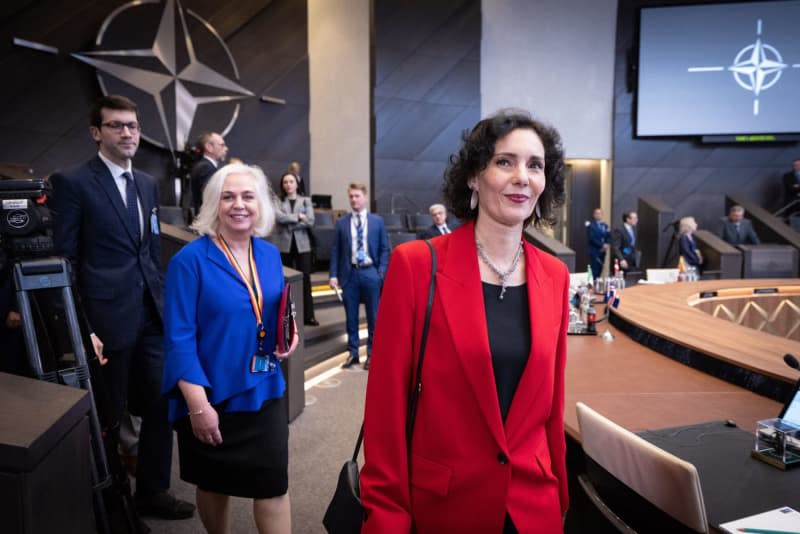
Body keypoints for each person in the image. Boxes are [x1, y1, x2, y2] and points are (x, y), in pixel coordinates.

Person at [360, 110, 570, 532]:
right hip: (445, 509)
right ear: (475, 176)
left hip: (533, 510)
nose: (522, 177)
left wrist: (559, 499)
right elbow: (385, 411)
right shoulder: (417, 266)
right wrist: (386, 519)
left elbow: (551, 407)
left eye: (535, 165)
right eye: (504, 162)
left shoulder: (555, 276)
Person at [49, 95, 194, 519]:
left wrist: (165, 305)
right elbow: (65, 260)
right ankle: (115, 506)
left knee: (161, 404)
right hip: (106, 322)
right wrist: (83, 325)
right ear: (97, 133)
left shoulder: (147, 183)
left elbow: (148, 249)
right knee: (110, 418)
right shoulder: (72, 181)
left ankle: (152, 492)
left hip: (150, 315)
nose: (128, 133)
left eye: (132, 125)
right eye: (117, 126)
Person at [162, 163, 298, 534]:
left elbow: (273, 309)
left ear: (261, 205)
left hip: (265, 388)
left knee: (274, 485)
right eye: (228, 196)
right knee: (215, 484)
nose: (239, 204)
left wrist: (289, 335)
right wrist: (198, 406)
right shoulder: (189, 262)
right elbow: (178, 339)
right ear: (214, 204)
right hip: (211, 396)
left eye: (248, 196)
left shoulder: (269, 255)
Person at [329, 182, 390, 371]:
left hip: (371, 273)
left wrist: (381, 273)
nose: (354, 200)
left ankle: (371, 354)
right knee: (351, 318)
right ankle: (353, 353)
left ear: (364, 197)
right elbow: (336, 250)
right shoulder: (342, 222)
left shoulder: (377, 221)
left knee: (374, 317)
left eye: (357, 196)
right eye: (351, 197)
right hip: (350, 274)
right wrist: (333, 275)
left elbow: (384, 249)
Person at [275, 172, 318, 326]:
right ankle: (285, 316)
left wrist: (290, 223)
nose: (288, 184)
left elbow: (311, 221)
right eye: (285, 182)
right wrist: (298, 217)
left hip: (303, 246)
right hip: (285, 246)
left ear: (297, 184)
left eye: (291, 181)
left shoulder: (306, 201)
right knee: (285, 281)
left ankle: (308, 316)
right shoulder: (279, 201)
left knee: (305, 280)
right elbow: (278, 217)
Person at [191, 132, 228, 216]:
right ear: (209, 147)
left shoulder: (205, 166)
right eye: (222, 145)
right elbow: (211, 197)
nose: (226, 148)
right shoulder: (206, 168)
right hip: (208, 221)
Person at [586, 207, 610, 279]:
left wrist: (607, 244)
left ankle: (598, 286)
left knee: (600, 270)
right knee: (594, 271)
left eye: (600, 213)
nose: (598, 215)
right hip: (594, 251)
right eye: (597, 213)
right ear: (594, 215)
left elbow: (608, 236)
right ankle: (593, 286)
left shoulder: (605, 225)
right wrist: (602, 245)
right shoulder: (591, 226)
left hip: (603, 252)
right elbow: (592, 238)